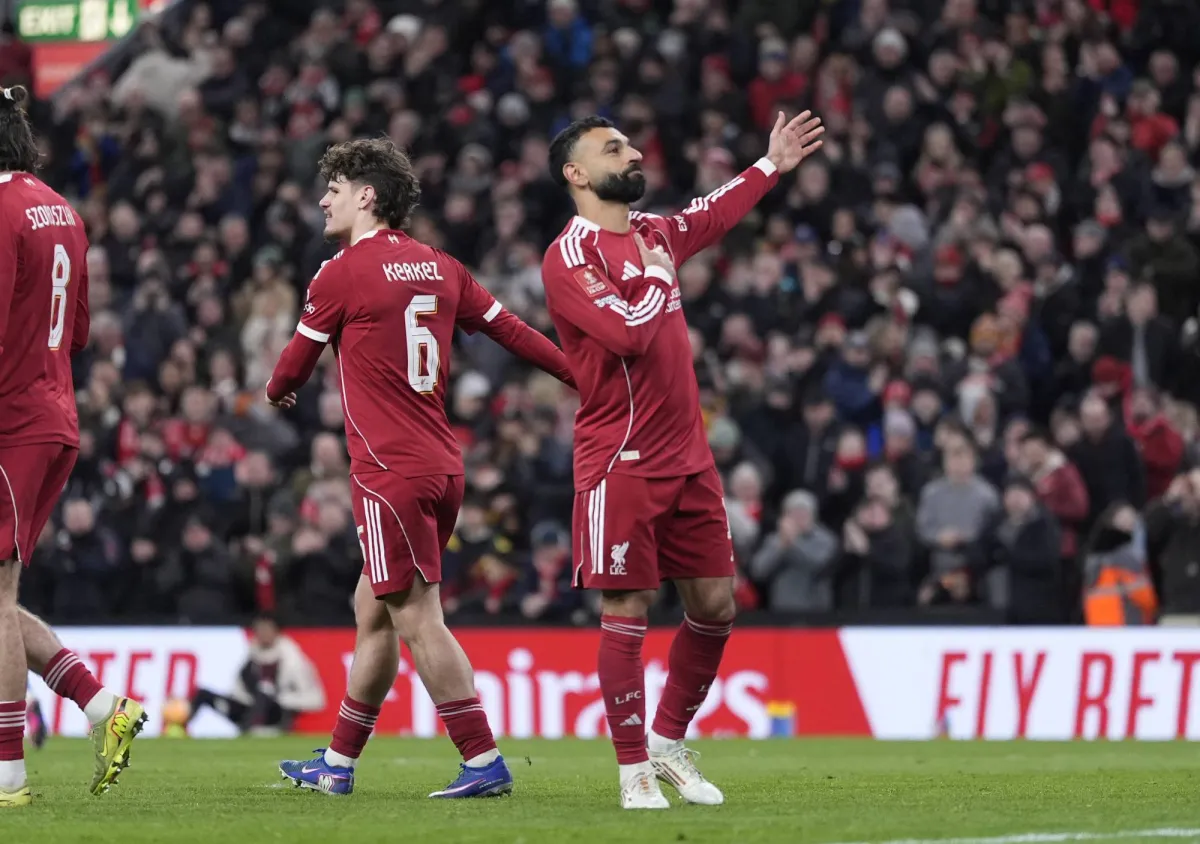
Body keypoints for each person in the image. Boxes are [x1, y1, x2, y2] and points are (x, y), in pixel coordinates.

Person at [266, 138, 575, 798]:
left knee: (417, 617)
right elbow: (512, 331)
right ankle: (338, 763)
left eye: (335, 190)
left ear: (367, 197)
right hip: (442, 467)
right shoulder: (441, 267)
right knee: (372, 610)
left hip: (388, 473)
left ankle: (482, 760)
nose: (323, 201)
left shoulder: (339, 273)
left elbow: (290, 370)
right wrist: (580, 375)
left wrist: (275, 391)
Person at [540, 110, 823, 809]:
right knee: (627, 607)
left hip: (689, 459)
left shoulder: (652, 234)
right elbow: (627, 335)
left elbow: (711, 213)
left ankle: (667, 743)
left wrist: (770, 165)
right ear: (576, 174)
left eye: (630, 143)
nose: (633, 152)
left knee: (716, 605)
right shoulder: (570, 256)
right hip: (621, 459)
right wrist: (662, 280)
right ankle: (632, 769)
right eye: (614, 149)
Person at [0, 85, 145, 807]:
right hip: (52, 413)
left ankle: (7, 775)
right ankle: (101, 705)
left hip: (10, 421)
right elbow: (79, 330)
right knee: (0, 593)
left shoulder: (0, 211)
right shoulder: (61, 209)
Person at [187, 615, 325, 735]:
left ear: (277, 631)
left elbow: (316, 700)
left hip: (277, 712)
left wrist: (280, 699)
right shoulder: (252, 654)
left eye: (267, 629)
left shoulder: (293, 660)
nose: (263, 634)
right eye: (259, 629)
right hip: (249, 708)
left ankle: (250, 731)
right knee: (203, 694)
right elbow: (238, 690)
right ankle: (180, 730)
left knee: (264, 692)